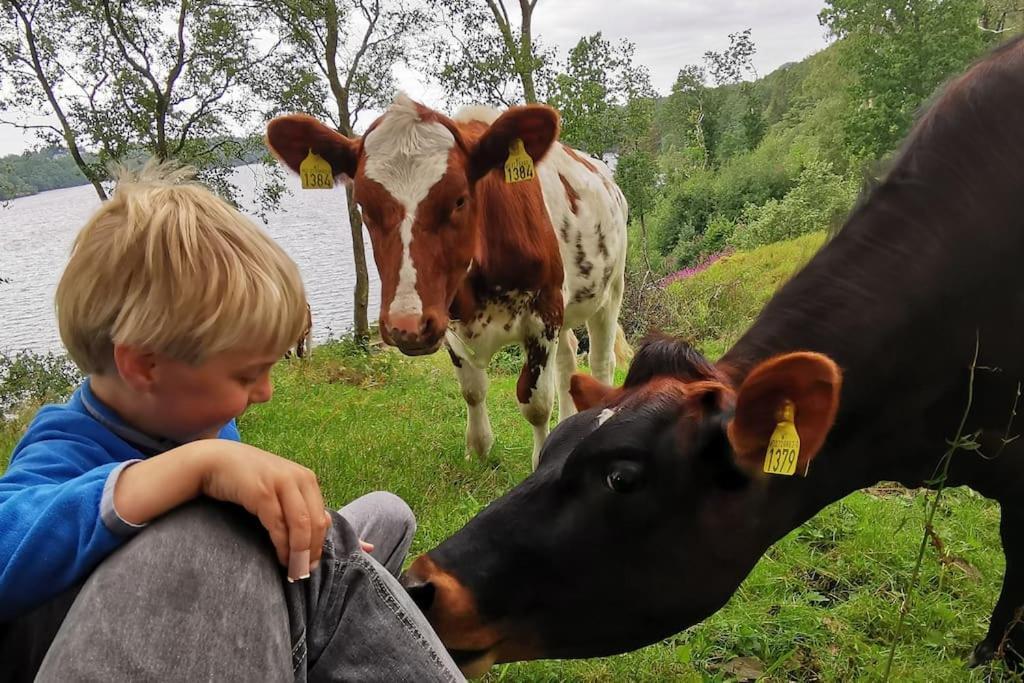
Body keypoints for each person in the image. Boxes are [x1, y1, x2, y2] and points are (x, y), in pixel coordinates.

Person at [0, 161, 462, 682]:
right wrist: (193, 468)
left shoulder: (196, 422)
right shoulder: (64, 444)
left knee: (388, 512)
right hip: (132, 637)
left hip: (232, 618)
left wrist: (300, 522)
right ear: (145, 365)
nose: (264, 393)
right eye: (246, 375)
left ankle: (305, 620)